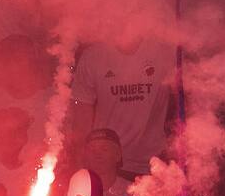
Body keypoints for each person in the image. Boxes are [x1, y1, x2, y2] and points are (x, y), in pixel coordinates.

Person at [70, 34, 173, 174]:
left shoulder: (165, 51)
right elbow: (81, 119)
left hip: (154, 164)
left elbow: (189, 98)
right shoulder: (93, 56)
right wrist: (79, 167)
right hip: (105, 165)